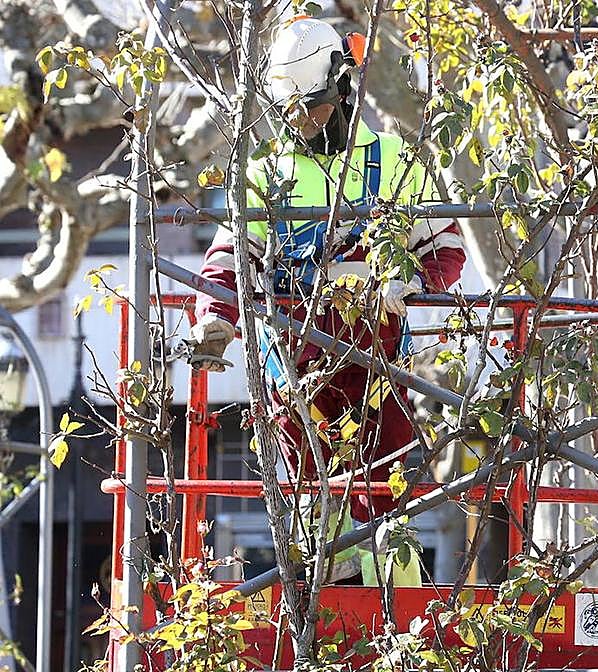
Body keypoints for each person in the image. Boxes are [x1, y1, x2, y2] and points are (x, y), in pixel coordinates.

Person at [188, 17, 467, 585]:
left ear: (343, 85)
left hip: (377, 365)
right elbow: (226, 263)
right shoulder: (265, 174)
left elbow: (447, 247)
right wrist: (215, 323)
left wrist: (411, 281)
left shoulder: (394, 160)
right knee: (309, 505)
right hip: (292, 369)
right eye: (287, 110)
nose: (298, 120)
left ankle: (399, 615)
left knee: (389, 496)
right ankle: (327, 609)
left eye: (309, 105)